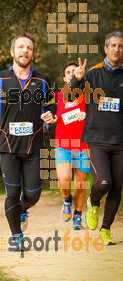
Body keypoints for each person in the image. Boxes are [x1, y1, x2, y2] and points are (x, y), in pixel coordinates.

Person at [0, 33, 57, 251]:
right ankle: (16, 237)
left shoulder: (43, 80)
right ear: (12, 52)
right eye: (20, 47)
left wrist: (51, 115)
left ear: (33, 54)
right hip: (7, 146)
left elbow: (52, 105)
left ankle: (23, 207)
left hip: (33, 146)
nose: (24, 51)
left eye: (28, 48)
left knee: (33, 194)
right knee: (12, 193)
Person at [69, 31, 123, 245]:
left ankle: (106, 229)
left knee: (117, 186)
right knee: (103, 182)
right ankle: (93, 200)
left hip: (120, 141)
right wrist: (77, 79)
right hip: (97, 139)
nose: (117, 49)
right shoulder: (92, 73)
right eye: (113, 45)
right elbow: (70, 95)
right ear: (106, 48)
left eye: (120, 46)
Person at [54, 61, 90, 230]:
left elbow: (99, 117)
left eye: (74, 71)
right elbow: (48, 115)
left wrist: (87, 115)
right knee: (64, 178)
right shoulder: (57, 96)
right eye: (68, 72)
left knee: (81, 184)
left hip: (84, 145)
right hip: (63, 144)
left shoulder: (88, 95)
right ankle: (67, 199)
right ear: (64, 77)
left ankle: (77, 215)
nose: (71, 74)